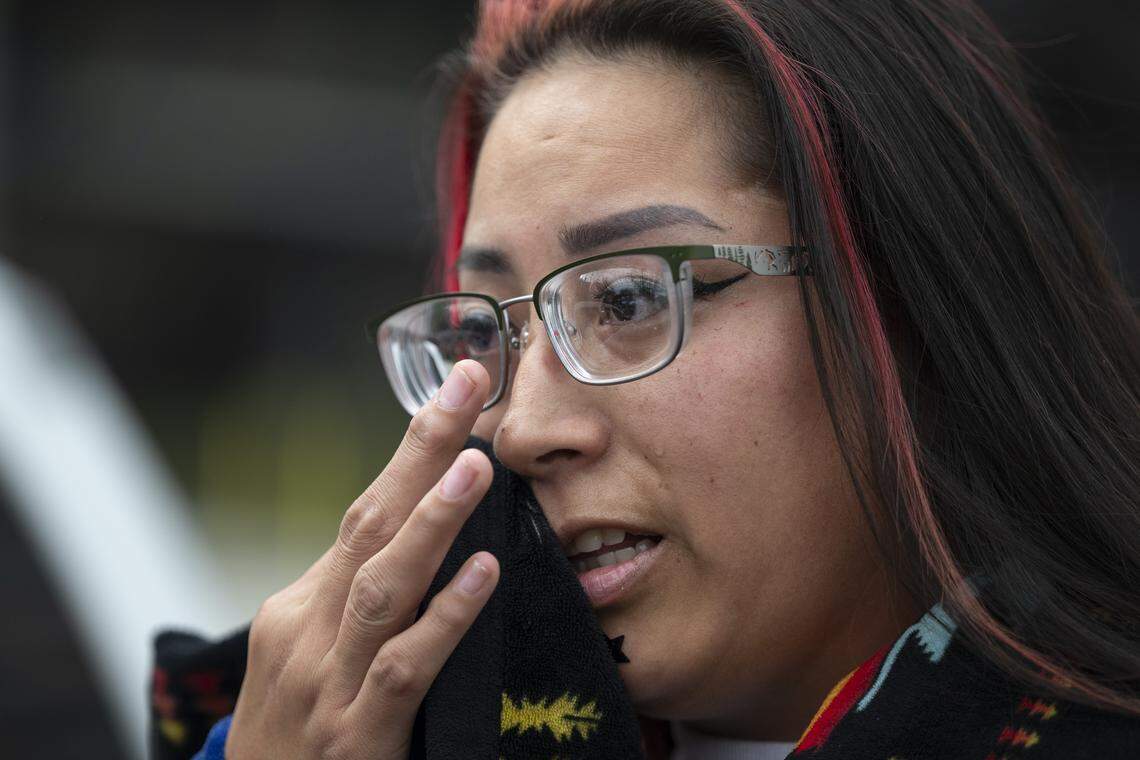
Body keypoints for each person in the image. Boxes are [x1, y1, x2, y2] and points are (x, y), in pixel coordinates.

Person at [213, 1, 1140, 757]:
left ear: (905, 306)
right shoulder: (307, 728)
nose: (521, 429)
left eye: (625, 299)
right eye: (487, 334)